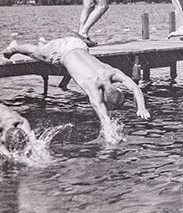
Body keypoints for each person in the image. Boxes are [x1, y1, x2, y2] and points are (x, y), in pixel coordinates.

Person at [3, 37, 150, 142]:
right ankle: (14, 47)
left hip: (77, 44)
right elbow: (104, 119)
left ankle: (45, 44)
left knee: (44, 50)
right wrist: (114, 137)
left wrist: (141, 106)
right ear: (104, 98)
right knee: (35, 53)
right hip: (61, 52)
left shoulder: (111, 71)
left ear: (118, 89)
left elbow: (135, 87)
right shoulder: (93, 88)